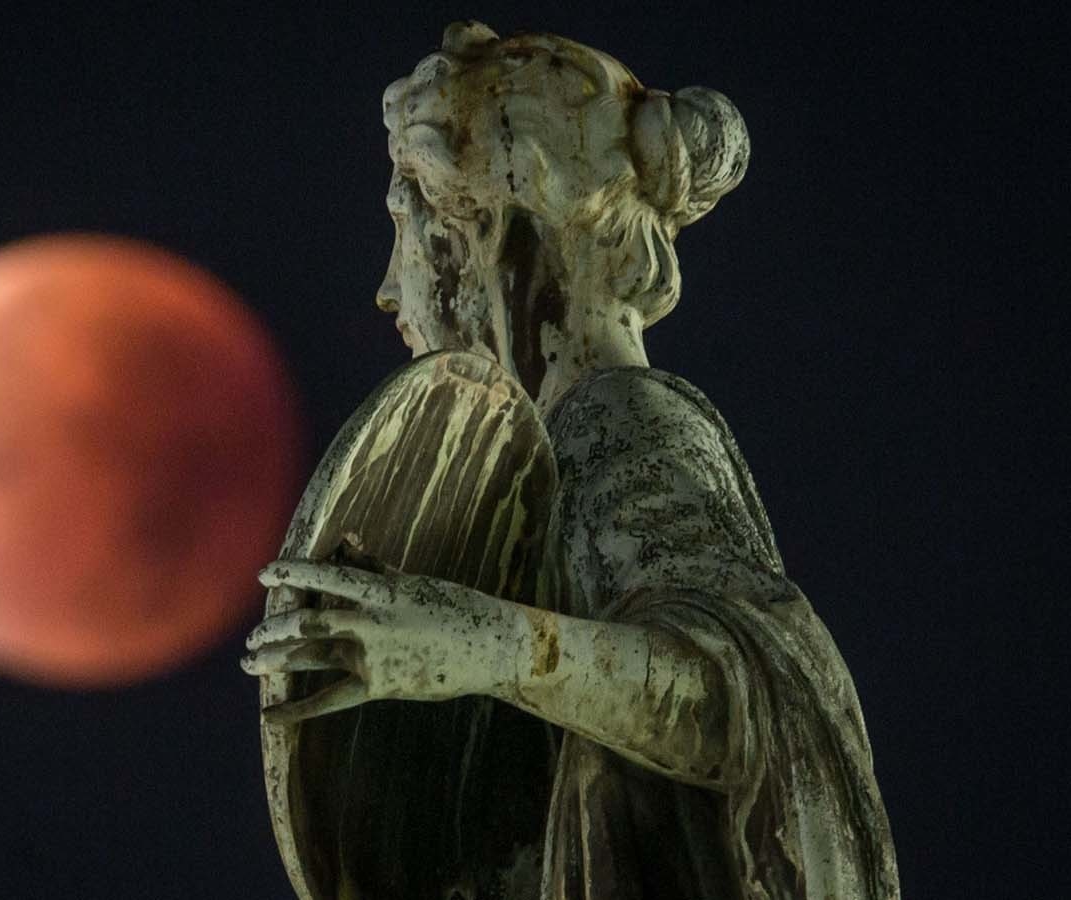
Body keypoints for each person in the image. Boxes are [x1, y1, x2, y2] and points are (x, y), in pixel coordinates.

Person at [242, 22, 899, 900]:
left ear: (505, 237)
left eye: (414, 229)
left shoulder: (618, 417)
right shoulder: (559, 446)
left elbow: (738, 693)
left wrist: (488, 647)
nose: (392, 287)